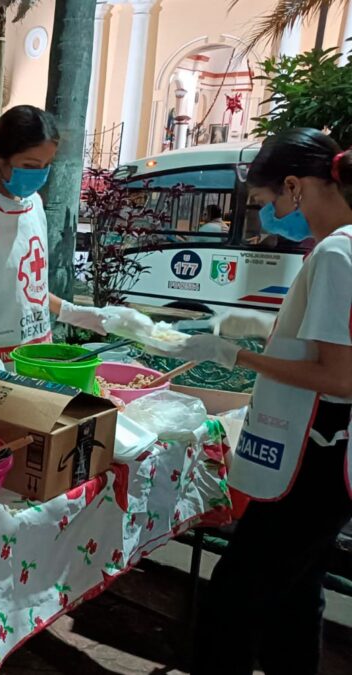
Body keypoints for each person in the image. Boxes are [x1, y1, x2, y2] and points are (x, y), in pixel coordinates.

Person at [170, 129, 352, 675]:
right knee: (295, 597)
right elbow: (324, 341)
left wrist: (238, 356)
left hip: (313, 459)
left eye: (264, 201)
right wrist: (256, 325)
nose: (267, 215)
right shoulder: (341, 246)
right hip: (331, 460)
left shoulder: (337, 252)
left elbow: (339, 376)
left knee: (232, 602)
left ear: (294, 187)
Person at [0, 105, 141, 370]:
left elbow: (28, 287)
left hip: (30, 348)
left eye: (46, 165)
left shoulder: (33, 204)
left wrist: (75, 313)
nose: (39, 174)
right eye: (30, 166)